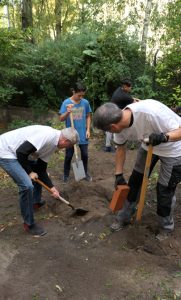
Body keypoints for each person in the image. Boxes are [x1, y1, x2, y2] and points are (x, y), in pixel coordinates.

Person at [93, 99, 181, 239]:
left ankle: (166, 227)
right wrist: (118, 174)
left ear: (113, 127)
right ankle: (124, 217)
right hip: (148, 146)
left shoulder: (151, 113)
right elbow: (121, 148)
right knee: (134, 182)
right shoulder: (118, 125)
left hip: (173, 149)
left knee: (164, 190)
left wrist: (164, 137)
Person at [0, 125, 79, 236]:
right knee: (27, 186)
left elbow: (41, 169)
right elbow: (21, 152)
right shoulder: (47, 136)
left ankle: (34, 202)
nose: (68, 148)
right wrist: (29, 172)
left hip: (20, 153)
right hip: (6, 150)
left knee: (37, 174)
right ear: (65, 141)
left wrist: (52, 188)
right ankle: (29, 224)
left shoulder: (53, 144)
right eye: (69, 145)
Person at [59, 82, 92, 182]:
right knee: (69, 155)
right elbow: (61, 118)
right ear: (74, 92)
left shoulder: (85, 102)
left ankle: (84, 173)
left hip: (82, 133)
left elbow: (88, 116)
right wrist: (68, 112)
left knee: (85, 155)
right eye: (79, 95)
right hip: (71, 135)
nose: (81, 97)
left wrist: (88, 130)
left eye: (83, 95)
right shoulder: (66, 103)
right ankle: (66, 175)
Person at [104, 79, 135, 152]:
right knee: (117, 128)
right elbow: (133, 102)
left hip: (110, 110)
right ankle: (117, 146)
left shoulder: (119, 90)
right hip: (116, 113)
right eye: (130, 87)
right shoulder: (124, 96)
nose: (131, 89)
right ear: (125, 87)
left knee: (109, 128)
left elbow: (131, 99)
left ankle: (108, 146)